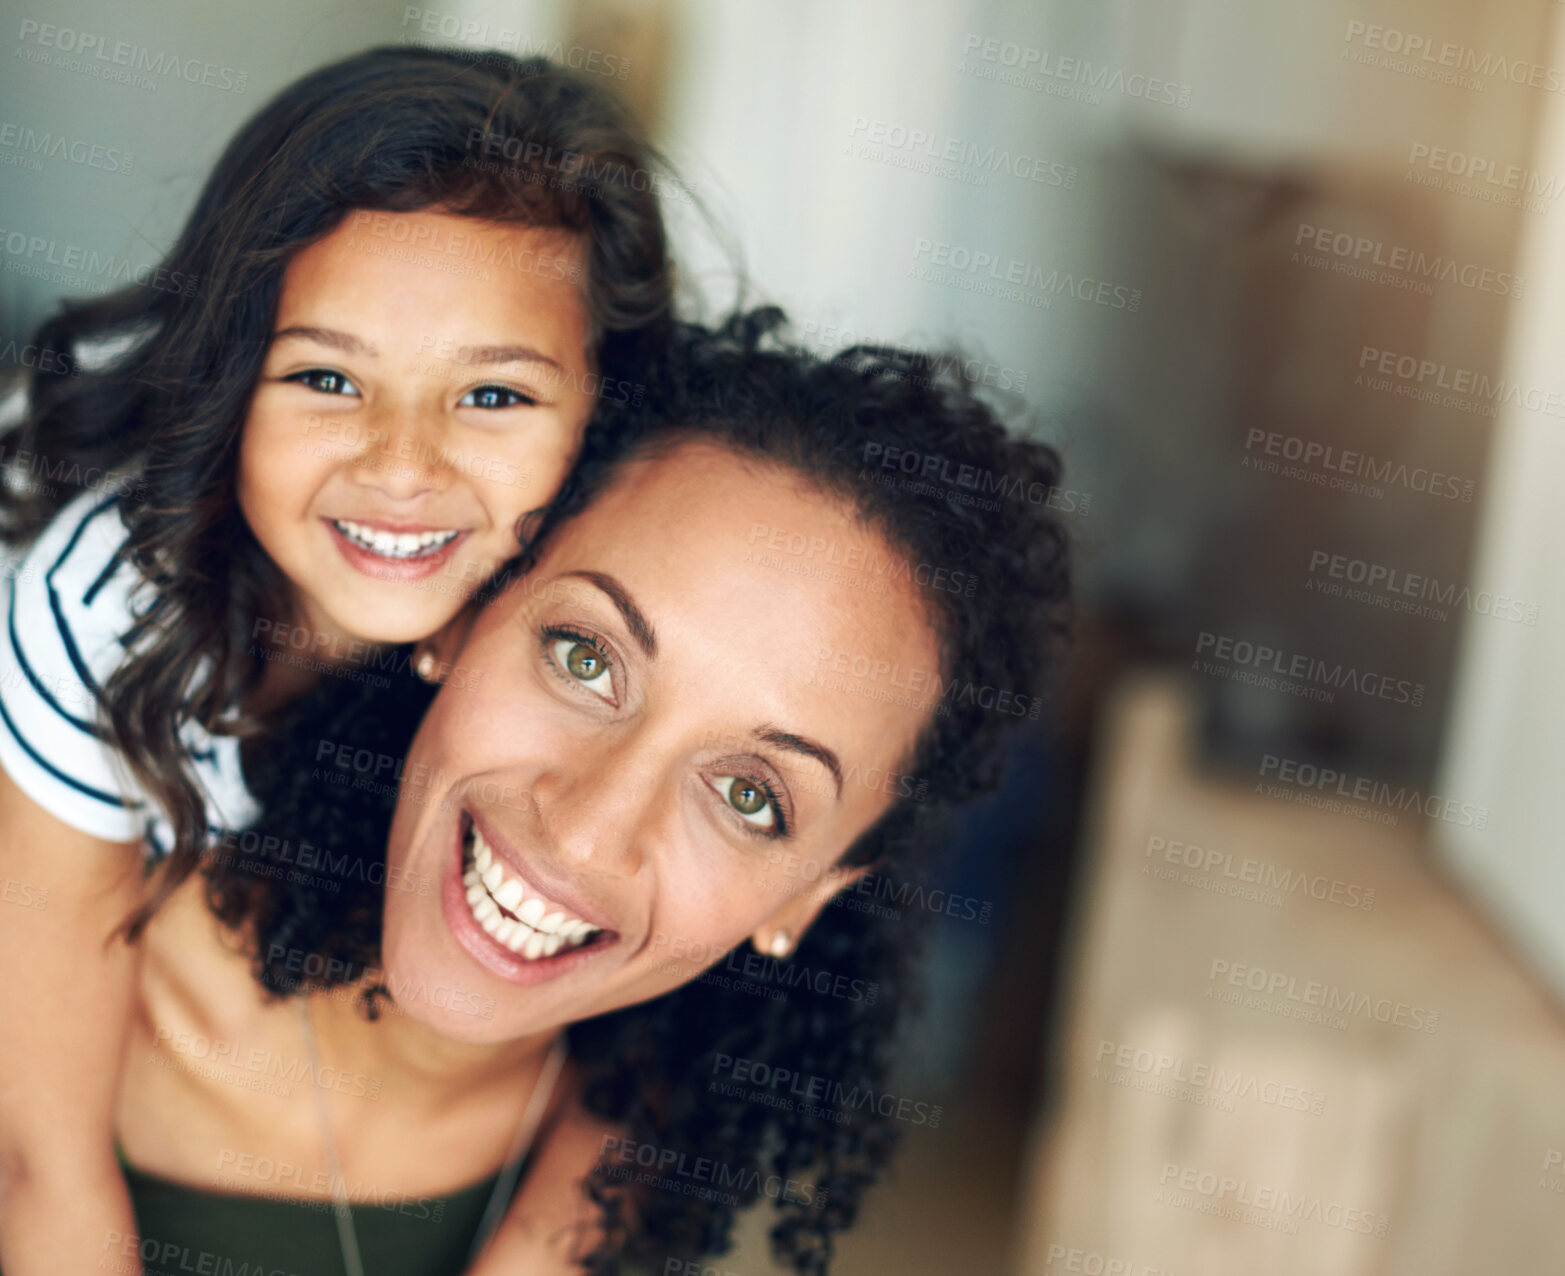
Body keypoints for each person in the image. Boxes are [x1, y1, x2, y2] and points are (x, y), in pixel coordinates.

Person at [112, 311, 1072, 1273]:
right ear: (464, 614)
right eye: (585, 658)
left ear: (806, 897)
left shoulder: (639, 1147)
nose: (583, 832)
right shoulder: (69, 957)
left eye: (748, 797)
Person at [0, 45, 674, 1276]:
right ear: (225, 377)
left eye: (492, 397)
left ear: (603, 411)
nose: (402, 465)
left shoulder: (627, 590)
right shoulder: (106, 605)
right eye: (324, 376)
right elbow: (37, 1149)